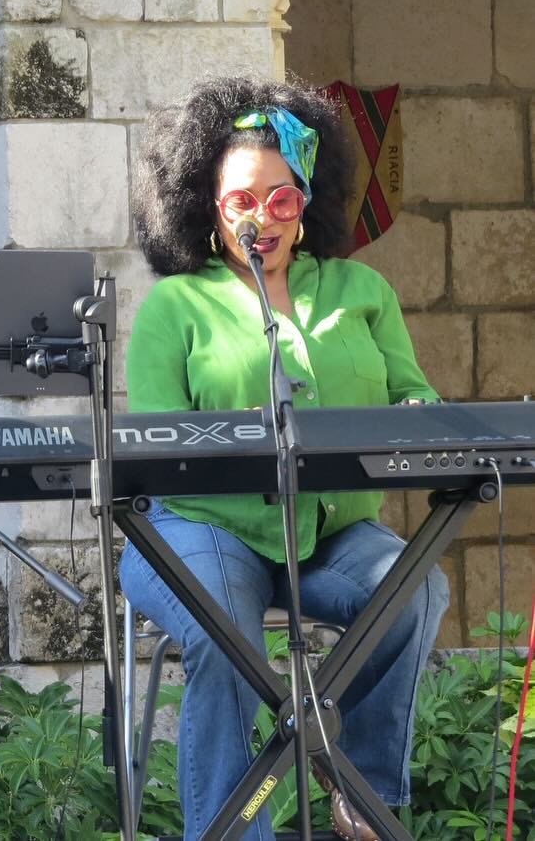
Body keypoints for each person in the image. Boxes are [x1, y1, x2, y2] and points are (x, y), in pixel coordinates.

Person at [119, 77, 449, 841]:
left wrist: (415, 414)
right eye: (238, 199)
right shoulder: (176, 306)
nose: (256, 218)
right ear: (206, 205)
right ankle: (237, 830)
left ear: (305, 204)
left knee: (415, 589)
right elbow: (163, 445)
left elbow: (412, 392)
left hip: (331, 534)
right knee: (226, 628)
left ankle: (354, 787)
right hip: (204, 528)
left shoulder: (361, 290)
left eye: (279, 199)